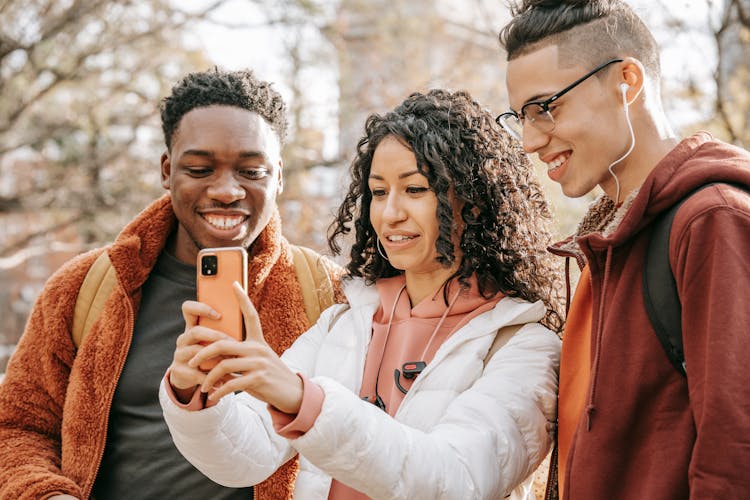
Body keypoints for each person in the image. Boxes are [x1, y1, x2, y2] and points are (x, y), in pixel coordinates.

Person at [159, 89, 563, 499]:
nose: (390, 213)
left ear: (473, 201)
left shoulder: (521, 343)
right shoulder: (344, 321)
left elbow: (455, 479)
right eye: (379, 191)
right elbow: (245, 458)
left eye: (416, 189)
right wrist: (194, 392)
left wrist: (303, 399)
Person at [0, 68, 343, 500]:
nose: (225, 191)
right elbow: (18, 426)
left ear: (279, 177)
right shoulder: (82, 288)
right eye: (199, 169)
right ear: (167, 170)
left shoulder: (328, 293)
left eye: (251, 171)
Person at [497, 1, 750, 498]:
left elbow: (735, 451)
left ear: (627, 81)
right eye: (520, 117)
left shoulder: (712, 220)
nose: (528, 140)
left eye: (545, 108)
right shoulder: (605, 245)